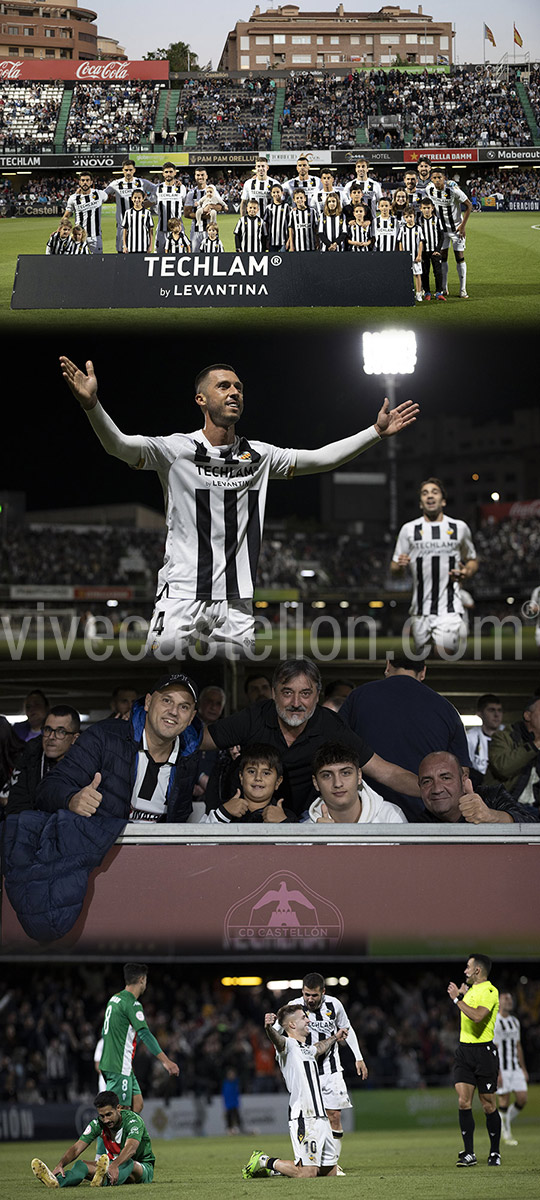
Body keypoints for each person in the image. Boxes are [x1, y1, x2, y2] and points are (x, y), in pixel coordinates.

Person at [59, 358, 418, 659]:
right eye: (224, 386)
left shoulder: (259, 455)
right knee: (164, 682)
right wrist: (92, 406)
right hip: (183, 593)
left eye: (239, 387)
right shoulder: (175, 450)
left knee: (232, 694)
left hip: (237, 602)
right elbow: (119, 447)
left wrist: (374, 432)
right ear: (201, 399)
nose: (234, 392)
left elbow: (321, 459)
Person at [203, 658, 421, 818]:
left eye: (305, 694)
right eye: (287, 693)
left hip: (303, 823)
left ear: (317, 695)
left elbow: (385, 772)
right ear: (273, 693)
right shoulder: (254, 717)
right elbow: (199, 740)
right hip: (243, 817)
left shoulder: (330, 726)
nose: (296, 702)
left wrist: (436, 792)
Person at [35, 674, 202, 823]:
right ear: (148, 702)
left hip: (154, 854)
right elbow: (48, 788)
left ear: (191, 717)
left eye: (184, 707)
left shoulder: (188, 759)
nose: (173, 711)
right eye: (167, 700)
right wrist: (71, 799)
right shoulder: (104, 737)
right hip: (101, 853)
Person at [340, 655, 471, 820]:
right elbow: (462, 773)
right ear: (423, 672)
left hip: (370, 815)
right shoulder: (447, 709)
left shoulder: (357, 698)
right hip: (425, 818)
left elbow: (336, 752)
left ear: (388, 665)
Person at [241, 1005, 347, 1179]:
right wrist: (268, 1028)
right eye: (304, 1018)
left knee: (330, 1172)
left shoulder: (306, 1049)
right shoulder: (287, 1046)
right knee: (307, 1173)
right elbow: (277, 1040)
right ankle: (263, 1161)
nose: (308, 1020)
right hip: (304, 1116)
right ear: (291, 1025)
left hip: (321, 1117)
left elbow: (319, 1047)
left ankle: (278, 1171)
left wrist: (335, 1037)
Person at [277, 972, 368, 1170]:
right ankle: (311, 1161)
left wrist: (358, 1057)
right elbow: (277, 1030)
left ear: (323, 993)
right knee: (312, 1117)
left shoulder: (334, 1005)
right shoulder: (294, 1007)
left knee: (334, 1115)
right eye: (307, 994)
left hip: (330, 1068)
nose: (310, 999)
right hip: (304, 1072)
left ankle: (332, 1164)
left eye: (314, 995)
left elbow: (347, 1028)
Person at [390, 476, 477, 656]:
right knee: (423, 661)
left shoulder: (459, 527)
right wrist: (399, 566)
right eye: (425, 493)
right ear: (421, 503)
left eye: (434, 492)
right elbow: (394, 568)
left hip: (449, 607)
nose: (430, 496)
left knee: (443, 654)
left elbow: (472, 559)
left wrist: (466, 571)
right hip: (420, 608)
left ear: (443, 501)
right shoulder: (409, 529)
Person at [31, 1088, 155, 1188]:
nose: (106, 1120)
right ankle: (56, 1182)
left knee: (128, 1163)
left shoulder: (133, 1121)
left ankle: (104, 1179)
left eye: (109, 1114)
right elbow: (76, 1148)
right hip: (112, 1165)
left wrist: (114, 1165)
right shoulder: (98, 1124)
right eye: (102, 1116)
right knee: (81, 1165)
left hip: (141, 1167)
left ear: (118, 1108)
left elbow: (131, 1148)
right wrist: (61, 1164)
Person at [447, 953, 502, 1167]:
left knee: (488, 1104)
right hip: (464, 1051)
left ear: (477, 970)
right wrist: (464, 995)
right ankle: (469, 1153)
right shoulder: (471, 992)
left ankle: (495, 1152)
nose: (465, 971)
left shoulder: (490, 991)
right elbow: (468, 1005)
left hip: (484, 1052)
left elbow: (478, 1016)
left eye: (468, 967)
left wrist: (456, 999)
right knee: (463, 1101)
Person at [99, 963, 178, 1111]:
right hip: (118, 1066)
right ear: (142, 979)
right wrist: (166, 1061)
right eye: (146, 980)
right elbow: (145, 1034)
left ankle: (128, 1134)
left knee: (137, 1105)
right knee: (119, 1112)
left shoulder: (114, 999)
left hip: (115, 1063)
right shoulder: (132, 1004)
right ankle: (95, 1134)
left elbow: (105, 1031)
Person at [416, 751, 539, 824]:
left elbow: (533, 824)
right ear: (420, 787)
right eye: (427, 781)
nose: (437, 789)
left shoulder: (492, 797)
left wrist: (491, 816)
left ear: (464, 780)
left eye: (446, 778)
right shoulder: (420, 825)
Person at [305, 742, 406, 824]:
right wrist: (319, 844)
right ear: (316, 783)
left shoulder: (390, 817)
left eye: (345, 773)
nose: (338, 783)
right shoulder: (304, 833)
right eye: (327, 775)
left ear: (359, 776)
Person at [5, 705, 80, 815]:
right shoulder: (30, 754)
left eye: (61, 731)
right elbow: (15, 806)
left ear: (74, 738)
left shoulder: (86, 763)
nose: (51, 737)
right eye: (48, 729)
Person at [200, 743, 283, 824]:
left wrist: (284, 822)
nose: (258, 778)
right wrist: (224, 812)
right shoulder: (225, 809)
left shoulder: (283, 816)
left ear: (278, 782)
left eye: (266, 773)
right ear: (241, 777)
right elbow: (198, 834)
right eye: (251, 771)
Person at [425, 166, 472, 298]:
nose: (437, 180)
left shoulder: (453, 190)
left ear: (445, 178)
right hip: (441, 231)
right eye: (434, 178)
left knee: (459, 257)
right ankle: (444, 288)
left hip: (456, 229)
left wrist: (463, 226)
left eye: (439, 177)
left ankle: (463, 289)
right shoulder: (429, 189)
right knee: (442, 258)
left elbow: (469, 205)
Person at [484, 695, 540, 807]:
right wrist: (536, 745)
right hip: (504, 807)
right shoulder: (503, 737)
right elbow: (503, 768)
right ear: (528, 715)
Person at [494, 992, 529, 1146]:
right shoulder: (495, 1021)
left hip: (515, 1067)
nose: (509, 1001)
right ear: (499, 1002)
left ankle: (503, 1122)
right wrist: (497, 1072)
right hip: (502, 1067)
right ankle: (506, 1134)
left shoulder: (515, 1021)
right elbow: (494, 1048)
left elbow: (518, 1045)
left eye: (510, 998)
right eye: (505, 998)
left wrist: (523, 1068)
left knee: (522, 1098)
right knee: (504, 1100)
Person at [105, 159, 156, 253]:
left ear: (134, 170)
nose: (128, 172)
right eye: (126, 170)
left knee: (139, 252)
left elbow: (157, 189)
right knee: (122, 252)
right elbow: (103, 195)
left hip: (139, 227)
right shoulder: (116, 184)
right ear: (122, 170)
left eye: (130, 170)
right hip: (122, 226)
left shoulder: (142, 182)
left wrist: (151, 201)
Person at [63, 172, 109, 253]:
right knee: (79, 263)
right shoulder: (73, 198)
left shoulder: (100, 194)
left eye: (87, 180)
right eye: (83, 180)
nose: (85, 182)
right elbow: (66, 216)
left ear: (91, 182)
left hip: (95, 237)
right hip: (79, 237)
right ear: (79, 182)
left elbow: (109, 197)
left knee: (97, 262)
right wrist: (61, 229)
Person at [184, 168, 225, 251]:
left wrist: (210, 206)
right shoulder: (191, 193)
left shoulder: (212, 191)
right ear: (195, 177)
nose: (200, 177)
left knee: (213, 255)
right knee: (195, 256)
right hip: (196, 231)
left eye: (202, 175)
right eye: (198, 175)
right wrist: (203, 216)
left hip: (211, 230)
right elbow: (186, 214)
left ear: (206, 176)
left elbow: (221, 207)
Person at [466, 694, 504, 781]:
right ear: (480, 714)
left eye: (499, 710)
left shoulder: (510, 735)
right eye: (491, 710)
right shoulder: (469, 738)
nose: (496, 714)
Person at [152, 161, 186, 254]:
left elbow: (186, 203)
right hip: (161, 229)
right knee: (159, 254)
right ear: (163, 174)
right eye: (166, 172)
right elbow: (152, 203)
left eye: (171, 172)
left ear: (175, 173)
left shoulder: (181, 188)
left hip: (177, 229)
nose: (168, 174)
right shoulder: (157, 188)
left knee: (178, 254)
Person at [416, 196, 445, 300]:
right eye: (424, 208)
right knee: (425, 272)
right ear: (420, 208)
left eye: (428, 208)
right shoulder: (418, 221)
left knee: (438, 272)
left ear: (433, 208)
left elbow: (442, 236)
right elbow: (417, 237)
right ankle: (427, 292)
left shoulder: (437, 220)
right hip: (424, 252)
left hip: (434, 251)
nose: (426, 210)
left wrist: (438, 249)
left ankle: (439, 292)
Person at [399, 206, 424, 301]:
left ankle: (418, 293)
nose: (409, 219)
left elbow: (421, 242)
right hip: (406, 256)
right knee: (406, 275)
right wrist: (402, 253)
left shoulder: (418, 228)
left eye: (410, 216)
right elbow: (400, 241)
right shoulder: (402, 229)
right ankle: (407, 292)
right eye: (406, 217)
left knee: (417, 275)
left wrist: (419, 255)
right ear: (404, 218)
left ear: (414, 216)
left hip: (415, 256)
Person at [122, 190, 154, 254]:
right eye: (135, 198)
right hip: (131, 247)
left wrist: (150, 245)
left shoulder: (147, 213)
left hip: (144, 247)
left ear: (143, 199)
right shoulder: (128, 213)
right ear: (131, 198)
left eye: (139, 198)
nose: (137, 200)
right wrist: (124, 246)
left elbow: (151, 230)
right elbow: (125, 230)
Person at [264, 183, 290, 252]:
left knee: (284, 261)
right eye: (274, 192)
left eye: (278, 192)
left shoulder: (286, 207)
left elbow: (290, 224)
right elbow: (266, 224)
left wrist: (289, 240)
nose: (276, 194)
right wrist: (266, 239)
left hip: (284, 241)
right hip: (272, 241)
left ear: (282, 193)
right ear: (271, 194)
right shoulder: (269, 207)